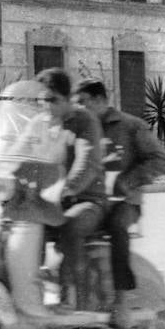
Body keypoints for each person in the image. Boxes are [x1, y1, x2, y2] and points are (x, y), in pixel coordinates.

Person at [73, 78, 165, 329]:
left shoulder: (130, 126)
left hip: (124, 202)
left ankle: (122, 299)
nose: (79, 108)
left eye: (83, 102)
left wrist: (128, 182)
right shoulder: (78, 129)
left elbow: (161, 159)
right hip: (92, 200)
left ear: (100, 100)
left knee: (117, 227)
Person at [35, 68, 105, 310]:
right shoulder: (41, 123)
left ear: (66, 99)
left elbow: (88, 161)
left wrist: (66, 188)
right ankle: (26, 292)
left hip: (87, 200)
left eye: (52, 99)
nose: (46, 105)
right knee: (21, 227)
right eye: (42, 100)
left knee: (71, 224)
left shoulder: (84, 120)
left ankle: (70, 296)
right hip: (51, 201)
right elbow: (20, 151)